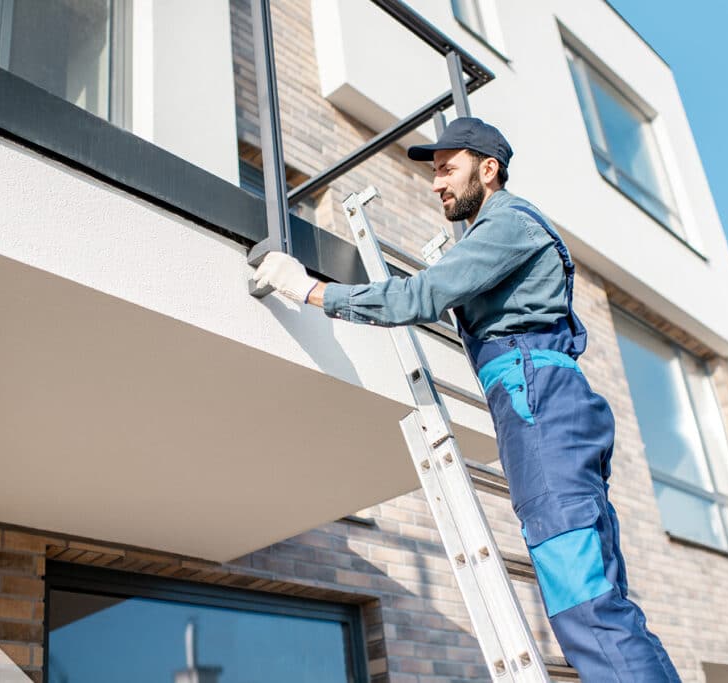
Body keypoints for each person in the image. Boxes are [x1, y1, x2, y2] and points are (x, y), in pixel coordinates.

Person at [252, 117, 682, 682]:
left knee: (584, 603)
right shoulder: (501, 232)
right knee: (600, 599)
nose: (436, 184)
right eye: (434, 173)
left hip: (538, 403)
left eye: (447, 169)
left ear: (489, 168)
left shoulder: (506, 225)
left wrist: (309, 290)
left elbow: (421, 294)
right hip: (546, 399)